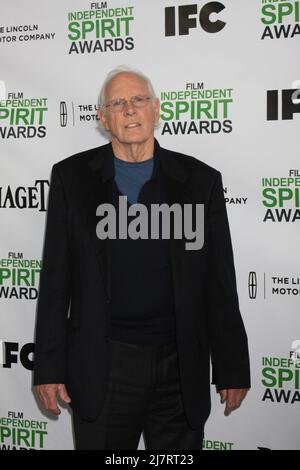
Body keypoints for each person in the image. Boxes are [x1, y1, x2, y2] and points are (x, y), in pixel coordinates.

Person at [33, 65, 250, 450]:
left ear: (156, 109)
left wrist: (232, 366)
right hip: (104, 363)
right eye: (117, 103)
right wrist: (48, 368)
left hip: (180, 364)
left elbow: (219, 281)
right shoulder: (72, 178)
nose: (129, 109)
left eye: (138, 100)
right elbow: (55, 280)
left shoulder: (200, 181)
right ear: (103, 118)